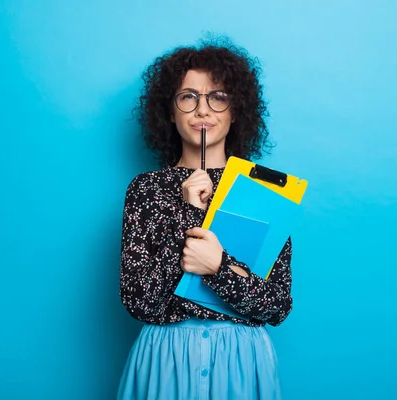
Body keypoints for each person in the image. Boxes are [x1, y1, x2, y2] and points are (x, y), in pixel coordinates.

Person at [117, 37, 293, 400]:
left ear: (235, 111)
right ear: (169, 111)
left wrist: (219, 267)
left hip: (243, 361)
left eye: (218, 97)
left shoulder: (264, 192)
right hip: (166, 357)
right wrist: (186, 212)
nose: (203, 110)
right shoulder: (146, 189)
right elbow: (141, 301)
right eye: (188, 97)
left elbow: (275, 306)